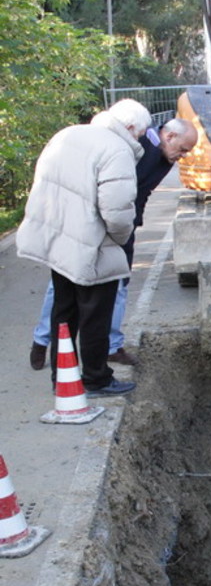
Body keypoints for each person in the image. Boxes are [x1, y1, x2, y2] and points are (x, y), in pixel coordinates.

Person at [29, 117, 198, 370]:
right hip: (91, 223)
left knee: (118, 284)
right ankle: (43, 342)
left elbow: (141, 192)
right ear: (169, 136)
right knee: (65, 284)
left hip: (120, 226)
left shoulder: (163, 156)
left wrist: (131, 226)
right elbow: (111, 189)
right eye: (182, 149)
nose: (182, 156)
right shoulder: (136, 146)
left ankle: (111, 346)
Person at [17, 99, 152, 396]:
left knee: (63, 312)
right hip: (91, 245)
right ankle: (96, 378)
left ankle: (62, 377)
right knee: (95, 314)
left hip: (58, 240)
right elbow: (117, 212)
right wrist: (120, 240)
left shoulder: (67, 135)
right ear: (130, 128)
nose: (139, 140)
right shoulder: (116, 150)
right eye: (140, 135)